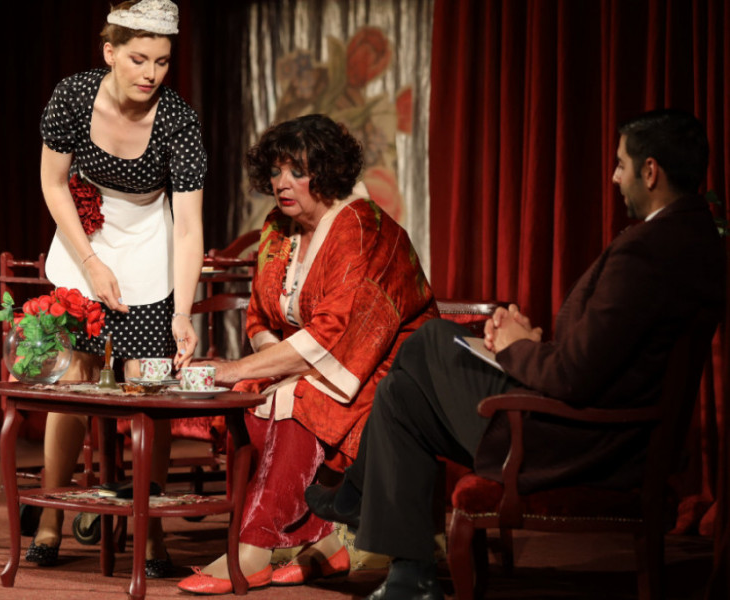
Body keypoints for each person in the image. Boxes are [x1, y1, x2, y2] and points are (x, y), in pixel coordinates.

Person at [305, 108, 726, 600]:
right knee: (400, 396)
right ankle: (409, 577)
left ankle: (358, 492)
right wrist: (530, 343)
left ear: (650, 171)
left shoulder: (647, 251)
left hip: (577, 444)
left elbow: (573, 377)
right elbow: (608, 358)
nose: (614, 177)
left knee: (429, 338)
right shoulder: (692, 237)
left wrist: (517, 347)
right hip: (602, 431)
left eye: (621, 165)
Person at [176, 114, 439, 594]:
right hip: (320, 359)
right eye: (276, 171)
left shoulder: (361, 226)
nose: (282, 183)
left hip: (386, 368)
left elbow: (337, 333)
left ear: (328, 171)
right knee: (253, 393)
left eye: (297, 171)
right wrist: (264, 368)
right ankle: (309, 535)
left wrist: (240, 368)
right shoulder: (278, 228)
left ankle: (256, 545)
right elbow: (259, 315)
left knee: (294, 397)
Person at [28, 0, 205, 578]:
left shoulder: (178, 121)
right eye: (138, 59)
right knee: (74, 378)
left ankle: (150, 531)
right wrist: (89, 260)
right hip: (85, 233)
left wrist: (183, 312)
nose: (151, 73)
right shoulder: (73, 96)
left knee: (147, 388)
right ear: (110, 52)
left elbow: (188, 228)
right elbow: (53, 183)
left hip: (149, 239)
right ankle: (51, 518)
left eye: (162, 61)